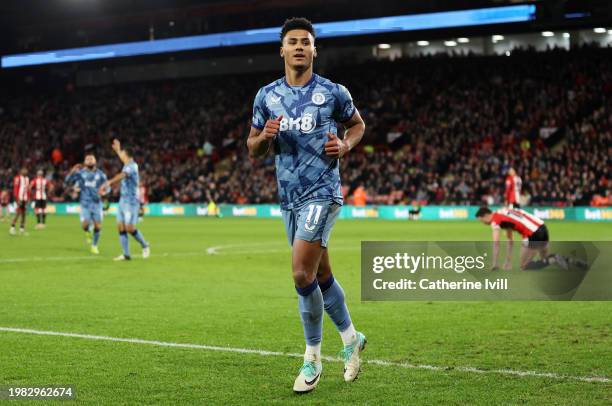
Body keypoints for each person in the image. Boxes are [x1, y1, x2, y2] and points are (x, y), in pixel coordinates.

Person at [246, 17, 366, 393]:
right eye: (292, 42)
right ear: (282, 49)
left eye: (306, 42)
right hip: (288, 199)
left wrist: (345, 145)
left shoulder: (333, 92)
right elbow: (251, 148)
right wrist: (264, 137)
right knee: (321, 275)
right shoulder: (266, 96)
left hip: (323, 192)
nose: (299, 47)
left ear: (315, 50)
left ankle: (312, 357)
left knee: (300, 274)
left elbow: (357, 125)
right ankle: (351, 339)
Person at [99, 139, 150, 261]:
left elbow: (122, 176)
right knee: (120, 227)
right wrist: (117, 150)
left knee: (130, 228)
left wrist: (109, 182)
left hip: (131, 202)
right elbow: (121, 157)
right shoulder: (127, 164)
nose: (120, 155)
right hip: (123, 201)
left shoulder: (132, 166)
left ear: (126, 155)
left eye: (122, 153)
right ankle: (126, 254)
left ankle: (145, 245)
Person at [475, 206, 569, 271]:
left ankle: (554, 259)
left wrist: (495, 263)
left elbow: (496, 243)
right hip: (542, 227)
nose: (483, 223)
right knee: (544, 258)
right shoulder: (503, 211)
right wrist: (508, 261)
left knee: (523, 266)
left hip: (532, 234)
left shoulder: (495, 221)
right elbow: (510, 240)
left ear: (486, 216)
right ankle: (569, 260)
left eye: (481, 220)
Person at [65, 154, 109, 254]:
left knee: (98, 226)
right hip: (85, 203)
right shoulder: (80, 173)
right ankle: (87, 231)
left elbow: (108, 186)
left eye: (91, 158)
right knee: (85, 224)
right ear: (84, 162)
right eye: (87, 159)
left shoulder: (101, 174)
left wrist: (105, 192)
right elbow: (67, 181)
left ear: (95, 161)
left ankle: (94, 245)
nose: (89, 160)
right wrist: (72, 171)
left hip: (97, 204)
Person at [10, 168, 29, 235]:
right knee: (18, 213)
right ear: (21, 171)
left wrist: (28, 198)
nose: (26, 171)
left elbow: (27, 189)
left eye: (26, 170)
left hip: (25, 198)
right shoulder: (17, 178)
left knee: (24, 214)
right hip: (19, 198)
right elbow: (15, 188)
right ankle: (12, 228)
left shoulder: (27, 179)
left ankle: (22, 229)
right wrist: (17, 199)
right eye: (24, 170)